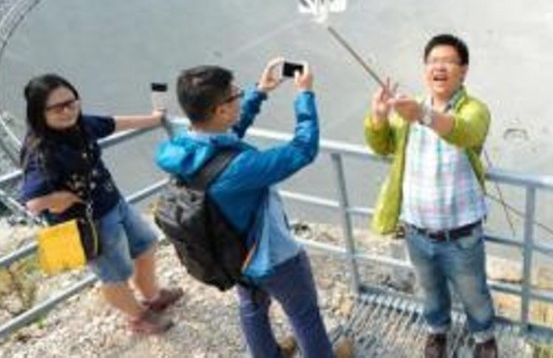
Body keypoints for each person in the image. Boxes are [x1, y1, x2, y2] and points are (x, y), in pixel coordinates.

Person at [155, 58, 343, 358]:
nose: (240, 97)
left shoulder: (184, 149)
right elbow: (302, 150)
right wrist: (304, 95)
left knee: (252, 307)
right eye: (236, 95)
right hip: (273, 256)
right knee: (304, 314)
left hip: (233, 252)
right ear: (220, 110)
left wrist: (260, 92)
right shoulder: (240, 168)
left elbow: (224, 143)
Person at [364, 33, 498, 358]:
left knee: (474, 293)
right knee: (431, 291)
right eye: (433, 61)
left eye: (448, 61)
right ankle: (437, 332)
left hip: (461, 233)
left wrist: (423, 115)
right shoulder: (408, 112)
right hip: (417, 230)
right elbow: (382, 147)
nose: (439, 67)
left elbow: (467, 131)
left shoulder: (474, 109)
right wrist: (380, 116)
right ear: (425, 69)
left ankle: (485, 338)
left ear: (463, 71)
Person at [19, 74, 184, 335]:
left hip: (113, 203)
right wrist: (58, 199)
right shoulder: (40, 151)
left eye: (71, 102)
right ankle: (138, 317)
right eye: (57, 107)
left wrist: (154, 118)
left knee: (147, 244)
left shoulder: (80, 124)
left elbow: (113, 123)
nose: (67, 111)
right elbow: (32, 203)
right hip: (89, 225)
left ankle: (153, 296)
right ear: (39, 112)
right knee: (114, 275)